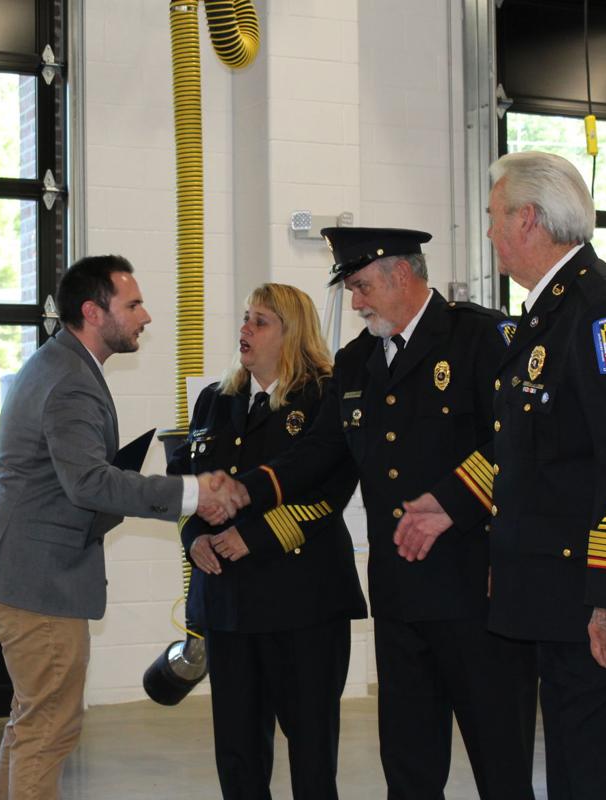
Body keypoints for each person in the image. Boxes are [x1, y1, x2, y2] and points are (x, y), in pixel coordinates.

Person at [429, 150, 606, 799]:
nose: (489, 231)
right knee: (577, 777)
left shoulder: (601, 311)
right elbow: (529, 452)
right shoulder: (548, 314)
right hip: (563, 597)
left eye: (494, 216)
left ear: (528, 219)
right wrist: (489, 539)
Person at [223, 231, 537, 800]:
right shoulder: (356, 361)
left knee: (501, 764)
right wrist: (242, 490)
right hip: (399, 597)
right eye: (351, 289)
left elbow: (521, 438)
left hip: (477, 592)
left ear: (402, 275)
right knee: (409, 767)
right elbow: (321, 453)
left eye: (363, 287)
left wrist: (453, 501)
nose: (356, 302)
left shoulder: (479, 337)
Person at [0, 254, 246, 800]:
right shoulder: (71, 381)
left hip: (17, 571)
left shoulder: (60, 364)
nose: (146, 317)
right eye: (133, 305)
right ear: (93, 312)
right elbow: (89, 484)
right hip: (37, 582)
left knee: (31, 722)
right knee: (49, 729)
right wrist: (193, 492)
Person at [167, 283, 367, 800]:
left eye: (260, 321)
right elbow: (182, 480)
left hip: (302, 600)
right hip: (229, 603)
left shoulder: (323, 396)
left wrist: (253, 536)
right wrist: (194, 537)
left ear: (291, 333)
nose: (245, 329)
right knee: (237, 751)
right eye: (245, 318)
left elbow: (330, 490)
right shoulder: (217, 400)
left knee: (311, 749)